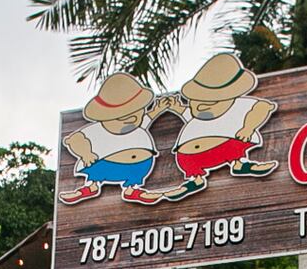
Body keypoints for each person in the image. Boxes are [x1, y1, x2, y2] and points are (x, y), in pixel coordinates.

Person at [148, 52, 279, 203]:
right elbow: (184, 112)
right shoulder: (197, 114)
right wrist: (175, 107)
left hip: (226, 146)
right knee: (188, 162)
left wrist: (248, 128)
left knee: (235, 147)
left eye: (209, 100)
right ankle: (195, 180)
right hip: (191, 156)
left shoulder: (237, 105)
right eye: (195, 101)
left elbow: (263, 106)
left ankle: (239, 164)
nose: (199, 107)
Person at [61, 73, 160, 203]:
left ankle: (132, 189)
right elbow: (74, 139)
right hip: (107, 165)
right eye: (121, 115)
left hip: (138, 165)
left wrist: (161, 107)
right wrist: (86, 154)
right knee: (96, 172)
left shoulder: (140, 124)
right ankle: (92, 186)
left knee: (137, 174)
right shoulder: (97, 129)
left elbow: (152, 114)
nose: (131, 119)